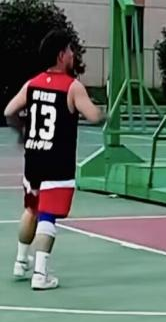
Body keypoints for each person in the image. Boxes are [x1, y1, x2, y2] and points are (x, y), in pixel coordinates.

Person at [4, 30, 105, 290]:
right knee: (48, 215)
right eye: (70, 50)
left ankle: (20, 261)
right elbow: (94, 116)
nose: (73, 54)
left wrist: (22, 132)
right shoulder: (72, 87)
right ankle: (40, 274)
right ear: (61, 55)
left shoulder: (32, 83)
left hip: (34, 159)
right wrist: (106, 112)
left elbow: (9, 111)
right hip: (57, 161)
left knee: (31, 209)